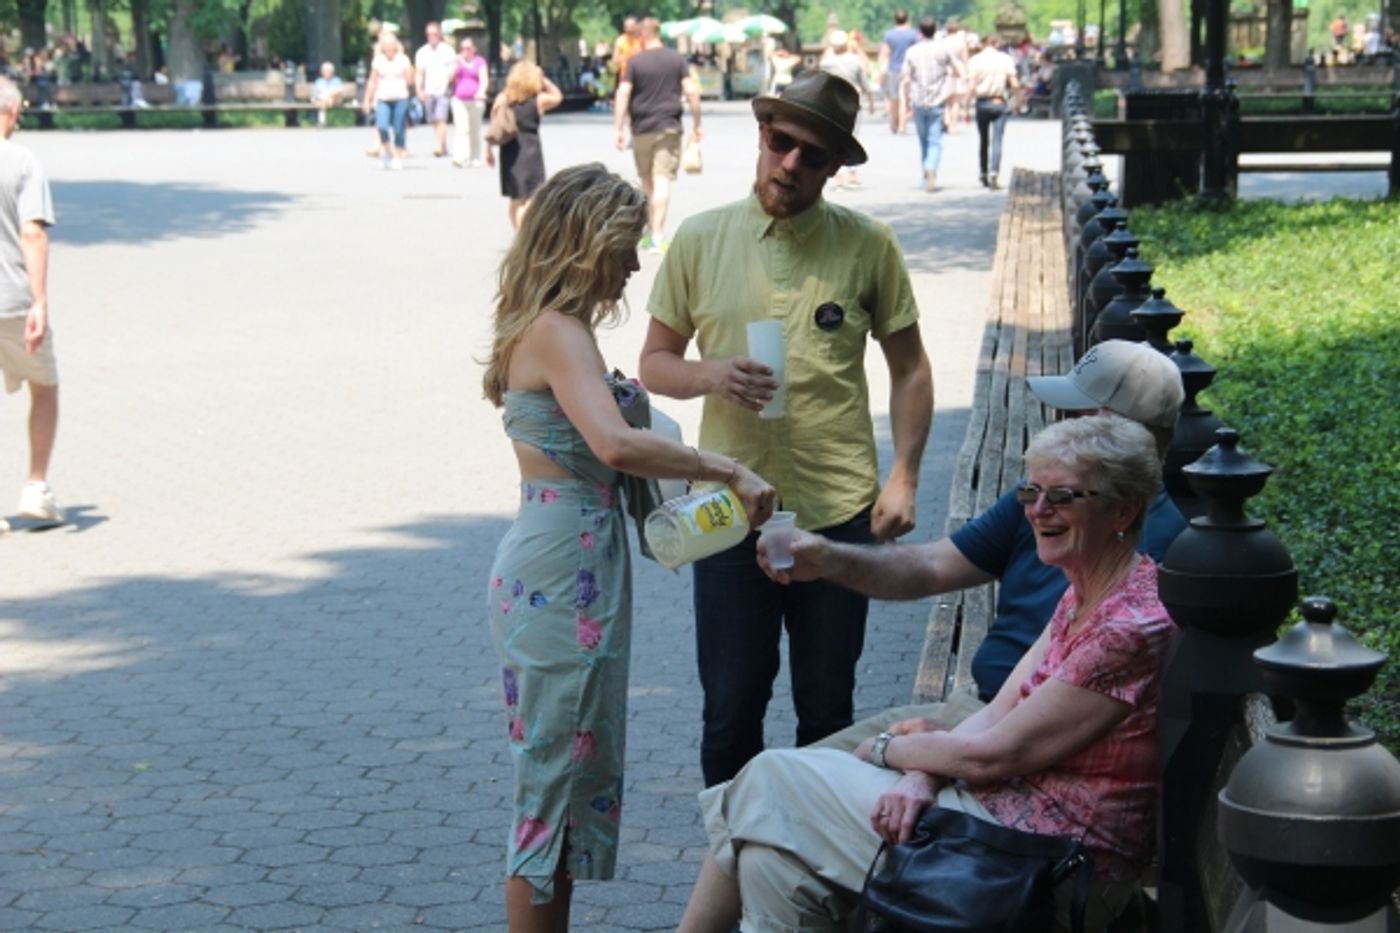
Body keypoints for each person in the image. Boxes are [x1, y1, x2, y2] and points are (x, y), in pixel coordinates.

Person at [680, 413, 1174, 933]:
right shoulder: (1088, 591)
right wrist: (920, 777)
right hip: (1001, 823)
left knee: (768, 779)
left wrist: (886, 748)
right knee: (770, 863)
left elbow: (993, 754)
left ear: (1123, 510)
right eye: (1032, 491)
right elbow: (997, 716)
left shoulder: (1128, 625)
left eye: (1065, 496)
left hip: (1050, 863)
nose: (1039, 510)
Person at [483, 163, 776, 932]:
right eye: (626, 244)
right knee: (551, 791)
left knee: (567, 785)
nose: (636, 263)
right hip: (563, 573)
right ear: (587, 242)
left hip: (569, 562)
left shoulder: (549, 327)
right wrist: (726, 465)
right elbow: (615, 445)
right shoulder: (555, 330)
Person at [639, 71, 935, 788]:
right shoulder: (701, 239)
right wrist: (712, 375)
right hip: (730, 511)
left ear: (835, 166)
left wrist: (903, 475)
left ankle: (816, 876)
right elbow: (653, 363)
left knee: (828, 708)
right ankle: (733, 870)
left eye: (813, 155)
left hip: (839, 515)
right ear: (761, 136)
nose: (791, 165)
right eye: (781, 143)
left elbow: (911, 369)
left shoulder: (868, 245)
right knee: (731, 707)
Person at [761, 340, 1187, 705]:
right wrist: (828, 558)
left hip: (1013, 729)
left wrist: (913, 757)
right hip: (984, 711)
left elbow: (1047, 723)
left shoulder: (1163, 551)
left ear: (1106, 430)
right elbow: (930, 567)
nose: (1039, 509)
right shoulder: (1040, 497)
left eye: (1069, 415)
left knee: (777, 781)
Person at [0, 77, 63, 528]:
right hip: (12, 299)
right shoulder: (21, 162)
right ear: (11, 112)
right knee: (44, 388)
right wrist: (40, 302)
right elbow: (32, 233)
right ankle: (36, 486)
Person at [613, 17, 702, 254]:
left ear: (642, 36)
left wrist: (618, 128)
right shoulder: (676, 59)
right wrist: (697, 123)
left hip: (641, 128)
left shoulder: (634, 62)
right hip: (668, 127)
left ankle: (648, 232)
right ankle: (657, 235)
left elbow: (623, 93)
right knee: (662, 179)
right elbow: (692, 92)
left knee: (647, 182)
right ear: (659, 33)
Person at [486, 61, 562, 229]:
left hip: (509, 150)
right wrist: (545, 81)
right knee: (528, 200)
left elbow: (495, 126)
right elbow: (558, 96)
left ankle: (518, 232)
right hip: (530, 149)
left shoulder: (503, 99)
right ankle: (524, 235)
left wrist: (488, 150)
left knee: (515, 198)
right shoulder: (538, 100)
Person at [900, 16, 964, 193]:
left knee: (923, 141)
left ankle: (924, 177)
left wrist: (906, 100)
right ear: (935, 29)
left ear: (920, 31)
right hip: (937, 99)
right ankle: (931, 166)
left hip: (918, 100)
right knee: (935, 140)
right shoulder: (943, 49)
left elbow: (906, 78)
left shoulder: (912, 51)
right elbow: (958, 70)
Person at [818, 31, 875, 190]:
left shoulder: (826, 64)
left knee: (835, 140)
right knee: (853, 139)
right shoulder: (855, 61)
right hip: (853, 103)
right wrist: (870, 100)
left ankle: (839, 176)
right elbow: (864, 83)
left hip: (832, 105)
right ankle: (853, 175)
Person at [969, 34, 1019, 189]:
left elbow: (971, 85)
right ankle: (994, 171)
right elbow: (1014, 84)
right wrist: (1018, 99)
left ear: (983, 44)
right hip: (999, 101)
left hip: (982, 102)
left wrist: (965, 104)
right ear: (996, 44)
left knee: (983, 139)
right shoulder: (1005, 59)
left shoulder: (975, 60)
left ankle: (983, 171)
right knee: (997, 139)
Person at [363, 29, 414, 170]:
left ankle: (397, 156)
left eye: (392, 44)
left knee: (399, 128)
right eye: (386, 44)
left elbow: (410, 80)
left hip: (400, 98)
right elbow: (372, 80)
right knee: (382, 126)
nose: (389, 47)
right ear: (383, 46)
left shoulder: (403, 59)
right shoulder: (378, 60)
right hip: (383, 98)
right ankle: (387, 151)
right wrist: (367, 99)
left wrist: (410, 74)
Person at [415, 22, 456, 158]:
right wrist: (419, 89)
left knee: (441, 117)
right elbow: (419, 73)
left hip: (443, 89)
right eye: (429, 34)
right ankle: (442, 144)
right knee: (434, 119)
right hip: (429, 89)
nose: (432, 37)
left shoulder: (448, 50)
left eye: (434, 34)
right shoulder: (422, 52)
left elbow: (453, 68)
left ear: (439, 35)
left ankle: (438, 146)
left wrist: (449, 79)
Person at [876, 9, 920, 133]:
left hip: (893, 69)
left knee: (894, 99)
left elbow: (884, 53)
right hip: (909, 70)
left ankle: (895, 123)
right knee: (904, 99)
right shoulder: (914, 34)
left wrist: (880, 71)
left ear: (895, 19)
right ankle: (902, 124)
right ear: (907, 19)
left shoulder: (889, 35)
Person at [449, 38, 489, 167]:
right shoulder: (457, 62)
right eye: (463, 48)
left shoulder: (479, 62)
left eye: (468, 48)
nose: (465, 51)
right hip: (459, 100)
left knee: (474, 130)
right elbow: (449, 78)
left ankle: (475, 156)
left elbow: (484, 79)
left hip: (475, 101)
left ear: (474, 49)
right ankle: (459, 157)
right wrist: (456, 64)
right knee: (462, 129)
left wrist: (481, 91)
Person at [310, 61, 345, 127]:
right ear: (322, 72)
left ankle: (322, 122)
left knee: (336, 92)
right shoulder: (318, 81)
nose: (327, 73)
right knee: (323, 101)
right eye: (325, 71)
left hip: (335, 100)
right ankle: (322, 122)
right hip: (323, 100)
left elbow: (341, 92)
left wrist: (329, 95)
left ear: (332, 72)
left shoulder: (337, 80)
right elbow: (314, 95)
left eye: (329, 71)